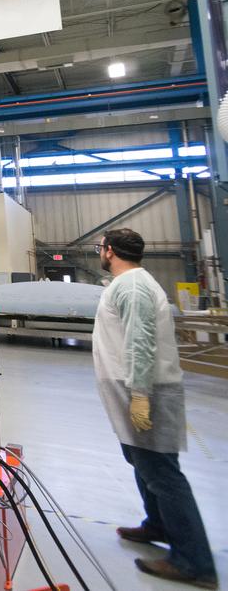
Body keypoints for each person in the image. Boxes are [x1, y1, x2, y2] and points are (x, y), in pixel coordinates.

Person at [93, 228, 217, 588]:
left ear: (110, 251)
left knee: (162, 474)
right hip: (129, 390)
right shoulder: (128, 284)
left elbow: (141, 342)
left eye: (101, 247)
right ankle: (158, 524)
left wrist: (141, 395)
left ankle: (193, 562)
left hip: (145, 392)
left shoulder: (132, 286)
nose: (100, 252)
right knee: (142, 462)